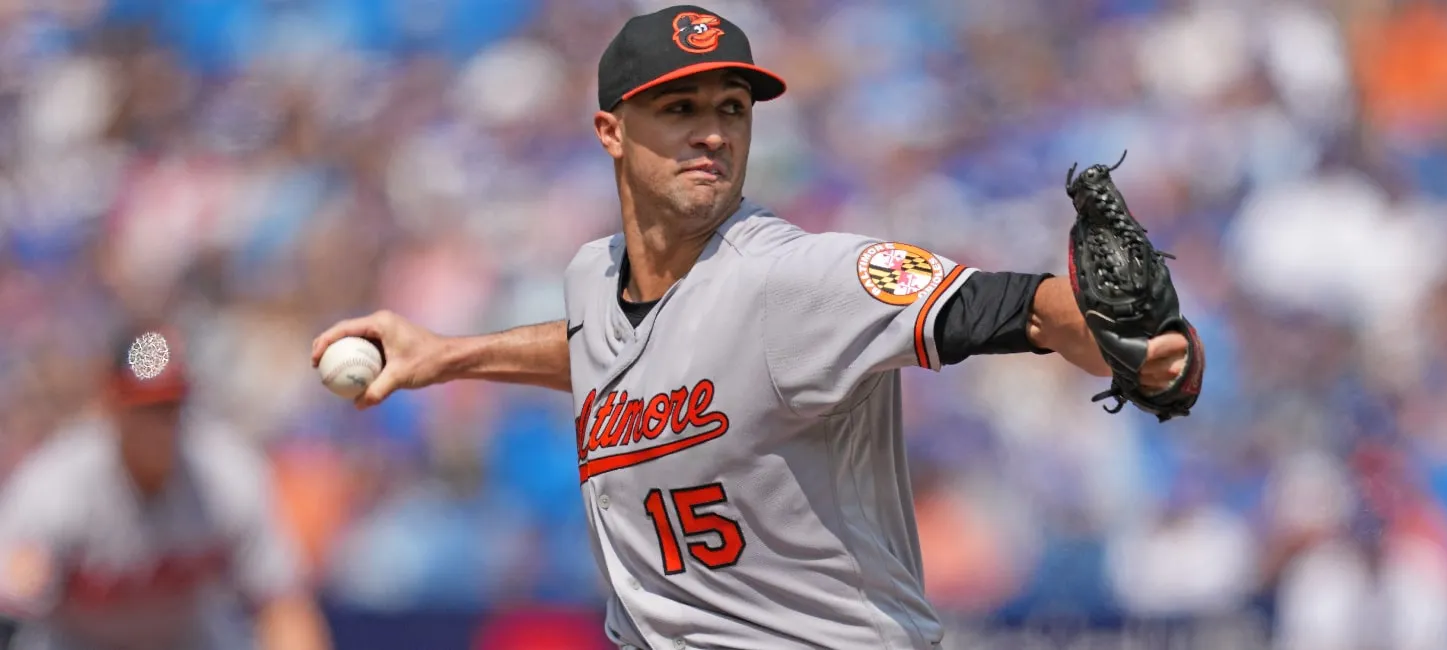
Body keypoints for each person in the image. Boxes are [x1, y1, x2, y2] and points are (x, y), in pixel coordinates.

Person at [311, 5, 1199, 649]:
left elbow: (1009, 306)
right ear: (610, 131)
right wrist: (448, 355)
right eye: (680, 108)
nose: (712, 133)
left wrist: (1121, 345)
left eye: (730, 108)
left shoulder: (796, 278)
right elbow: (606, 347)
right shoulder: (594, 277)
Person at [0, 325, 332, 650]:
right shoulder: (57, 488)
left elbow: (284, 605)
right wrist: (24, 580)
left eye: (169, 405)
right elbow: (14, 595)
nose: (159, 424)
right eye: (144, 406)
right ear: (111, 405)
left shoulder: (224, 475)